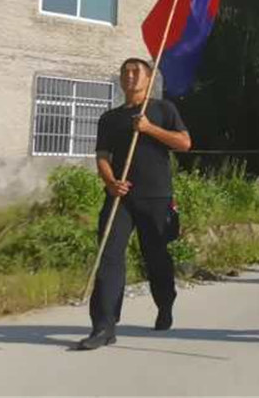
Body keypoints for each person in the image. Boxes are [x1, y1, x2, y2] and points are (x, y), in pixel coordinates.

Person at [78, 58, 191, 351]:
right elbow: (102, 155)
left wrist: (150, 128)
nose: (129, 76)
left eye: (135, 71)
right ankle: (104, 325)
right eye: (125, 72)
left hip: (156, 197)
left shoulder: (163, 109)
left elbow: (183, 143)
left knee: (156, 256)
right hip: (120, 197)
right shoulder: (110, 118)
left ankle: (165, 303)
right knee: (109, 255)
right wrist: (110, 181)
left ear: (149, 77)